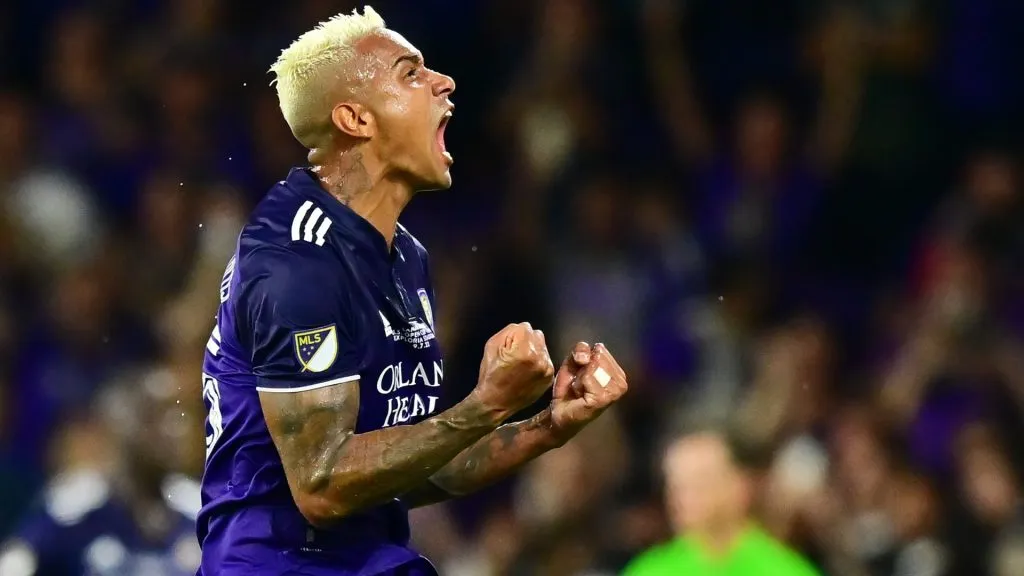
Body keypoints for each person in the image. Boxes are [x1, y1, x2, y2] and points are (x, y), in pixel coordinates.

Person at [197, 6, 629, 576]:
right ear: (355, 118)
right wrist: (485, 403)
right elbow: (321, 487)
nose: (444, 82)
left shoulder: (404, 258)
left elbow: (413, 465)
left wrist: (546, 425)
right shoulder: (296, 263)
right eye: (410, 73)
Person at [0, 367, 203, 576]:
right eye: (153, 417)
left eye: (177, 415)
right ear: (119, 425)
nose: (174, 428)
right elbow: (14, 564)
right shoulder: (75, 508)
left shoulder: (198, 509)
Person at [623, 430, 818, 576]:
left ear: (740, 487)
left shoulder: (784, 570)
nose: (683, 497)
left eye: (700, 482)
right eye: (677, 485)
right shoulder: (649, 571)